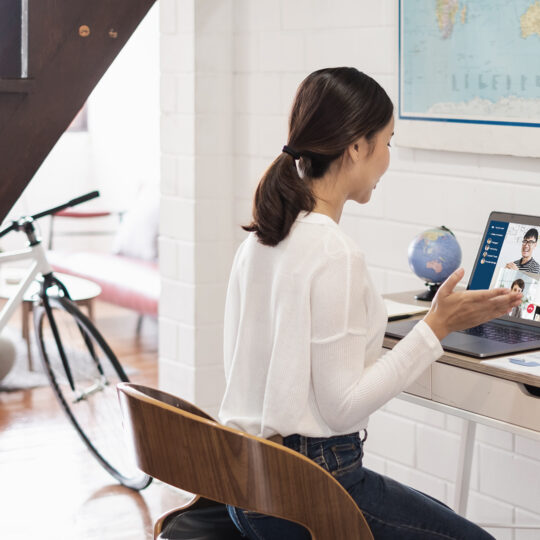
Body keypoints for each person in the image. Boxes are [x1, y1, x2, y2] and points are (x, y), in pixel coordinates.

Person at [218, 67, 521, 540]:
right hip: (311, 490)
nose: (386, 160)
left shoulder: (262, 239)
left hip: (248, 488)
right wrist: (435, 327)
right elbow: (343, 408)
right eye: (387, 143)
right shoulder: (333, 250)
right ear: (357, 146)